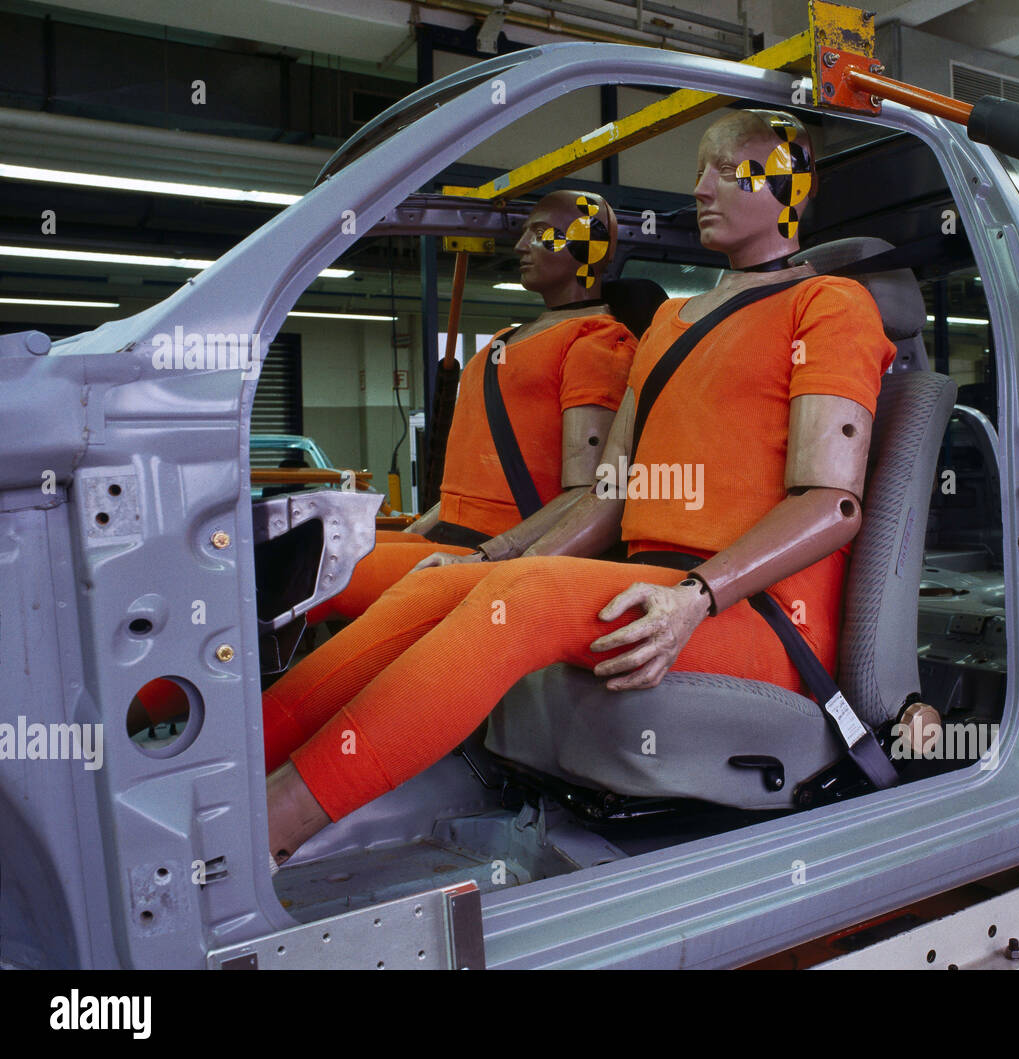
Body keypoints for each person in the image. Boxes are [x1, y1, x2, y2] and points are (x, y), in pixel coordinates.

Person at [262, 109, 897, 865]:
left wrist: (693, 596)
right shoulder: (668, 322)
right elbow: (607, 494)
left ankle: (264, 832)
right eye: (701, 168)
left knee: (521, 602)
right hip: (656, 579)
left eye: (728, 171)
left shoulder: (827, 305)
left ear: (787, 188)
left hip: (757, 610)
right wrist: (487, 559)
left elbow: (833, 502)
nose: (699, 186)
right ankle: (233, 771)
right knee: (437, 591)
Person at [128, 191, 635, 734]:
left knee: (307, 573)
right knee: (265, 550)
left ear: (590, 248)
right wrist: (415, 525)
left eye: (539, 232)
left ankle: (176, 728)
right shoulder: (510, 340)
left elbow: (585, 492)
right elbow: (476, 477)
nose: (520, 244)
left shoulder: (595, 342)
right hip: (450, 534)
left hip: (488, 549)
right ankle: (142, 697)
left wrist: (491, 560)